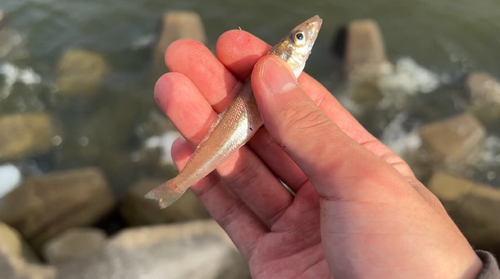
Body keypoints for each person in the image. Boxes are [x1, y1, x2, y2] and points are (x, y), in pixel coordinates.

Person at [154, 29, 500, 278]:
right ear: (285, 55)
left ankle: (179, 184)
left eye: (299, 37)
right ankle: (178, 184)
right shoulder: (281, 66)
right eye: (299, 38)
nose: (307, 34)